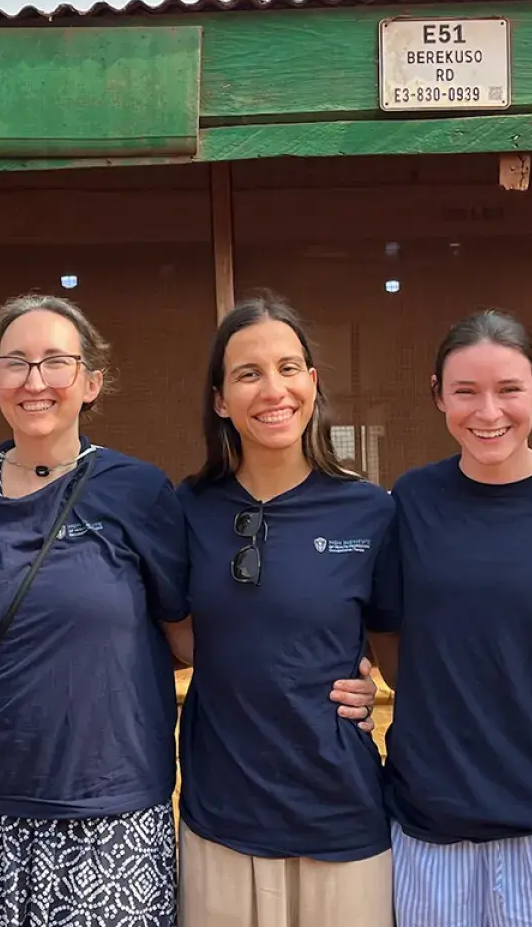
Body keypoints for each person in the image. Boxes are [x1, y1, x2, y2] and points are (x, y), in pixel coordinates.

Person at [0, 295, 188, 927]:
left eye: (55, 363)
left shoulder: (138, 490)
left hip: (110, 816)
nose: (35, 381)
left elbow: (191, 638)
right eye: (16, 363)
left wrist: (326, 664)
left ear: (91, 382)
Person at [366, 311, 532, 927]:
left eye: (509, 389)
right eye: (465, 392)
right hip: (431, 820)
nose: (488, 412)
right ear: (437, 395)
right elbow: (388, 636)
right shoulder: (413, 500)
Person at [173, 294, 394, 927]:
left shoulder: (369, 510)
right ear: (219, 399)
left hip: (342, 814)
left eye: (290, 368)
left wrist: (369, 680)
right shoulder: (185, 510)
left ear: (313, 383)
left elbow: (399, 654)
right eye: (248, 373)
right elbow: (179, 637)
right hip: (221, 814)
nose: (274, 389)